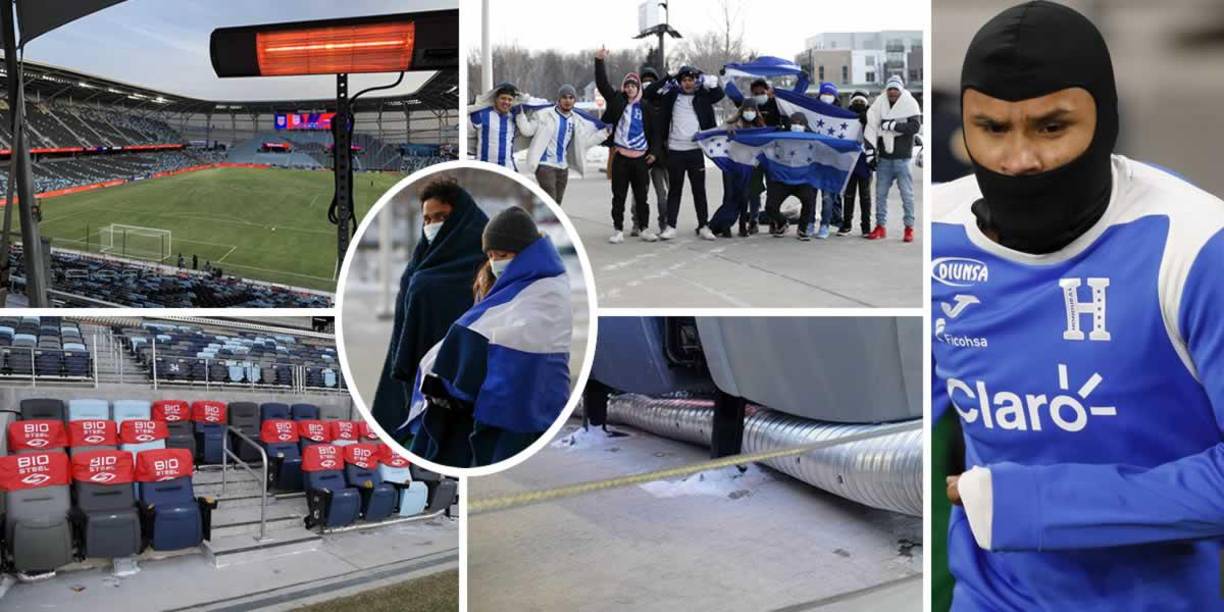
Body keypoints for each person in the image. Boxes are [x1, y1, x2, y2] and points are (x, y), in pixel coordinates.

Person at [934, 2, 1224, 609]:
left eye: (1051, 127)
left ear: (1106, 119)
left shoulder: (1196, 247)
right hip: (991, 596)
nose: (1019, 160)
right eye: (992, 128)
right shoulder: (936, 236)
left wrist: (1031, 505)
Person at [404, 207, 572, 468]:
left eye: (502, 255)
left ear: (524, 252)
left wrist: (453, 364)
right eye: (491, 255)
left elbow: (506, 335)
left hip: (530, 398)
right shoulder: (500, 283)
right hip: (502, 395)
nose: (495, 262)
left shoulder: (546, 290)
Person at [373, 177, 489, 435]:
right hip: (414, 369)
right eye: (427, 219)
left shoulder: (484, 260)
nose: (432, 225)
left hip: (456, 381)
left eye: (441, 217)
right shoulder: (422, 258)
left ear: (460, 217)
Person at [645, 65, 725, 240]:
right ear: (680, 82)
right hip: (676, 150)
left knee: (699, 190)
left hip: (695, 150)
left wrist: (710, 81)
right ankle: (671, 226)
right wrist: (667, 77)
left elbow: (719, 95)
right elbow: (649, 93)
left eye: (691, 80)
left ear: (696, 81)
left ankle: (703, 226)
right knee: (675, 190)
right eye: (684, 80)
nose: (688, 83)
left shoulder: (702, 96)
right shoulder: (671, 95)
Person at [595, 48, 659, 244]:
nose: (630, 89)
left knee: (642, 197)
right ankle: (618, 230)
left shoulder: (646, 107)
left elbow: (655, 132)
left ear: (638, 88)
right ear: (624, 87)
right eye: (628, 85)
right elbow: (602, 84)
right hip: (621, 157)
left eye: (634, 86)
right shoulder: (617, 100)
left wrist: (654, 152)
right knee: (619, 196)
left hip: (640, 159)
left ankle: (644, 228)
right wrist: (599, 61)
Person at [517, 83, 606, 204]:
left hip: (563, 168)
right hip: (545, 165)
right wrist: (520, 114)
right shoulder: (545, 114)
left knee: (557, 203)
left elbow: (585, 142)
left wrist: (604, 133)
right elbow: (527, 131)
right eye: (564, 97)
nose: (567, 101)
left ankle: (539, 214)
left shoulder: (576, 120)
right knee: (551, 200)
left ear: (574, 100)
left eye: (571, 97)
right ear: (559, 99)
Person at [866, 75, 921, 242]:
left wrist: (892, 125)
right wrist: (870, 152)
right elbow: (871, 127)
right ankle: (880, 226)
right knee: (880, 195)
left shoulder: (910, 103)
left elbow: (915, 127)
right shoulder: (879, 104)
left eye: (895, 89)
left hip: (903, 158)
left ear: (901, 90)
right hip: (884, 158)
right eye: (890, 89)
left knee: (907, 195)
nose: (892, 92)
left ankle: (909, 228)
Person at [708, 98, 764, 237]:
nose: (749, 112)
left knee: (744, 197)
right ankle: (724, 226)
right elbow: (716, 135)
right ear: (742, 111)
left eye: (752, 110)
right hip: (731, 165)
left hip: (747, 166)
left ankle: (742, 225)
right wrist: (727, 130)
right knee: (730, 196)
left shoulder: (759, 128)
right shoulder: (731, 124)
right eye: (747, 109)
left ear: (756, 112)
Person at [762, 113, 818, 240]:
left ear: (805, 125)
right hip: (782, 179)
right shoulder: (779, 136)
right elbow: (763, 144)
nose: (797, 126)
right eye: (794, 123)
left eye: (800, 123)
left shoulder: (813, 138)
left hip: (802, 180)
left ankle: (802, 229)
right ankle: (782, 223)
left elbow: (828, 148)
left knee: (809, 202)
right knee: (770, 207)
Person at [636, 66, 670, 235]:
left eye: (651, 81)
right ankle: (637, 222)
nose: (647, 84)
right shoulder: (637, 104)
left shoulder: (664, 102)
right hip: (640, 153)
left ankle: (664, 221)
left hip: (661, 156)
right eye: (644, 81)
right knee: (639, 193)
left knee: (662, 194)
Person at [839, 90, 874, 237]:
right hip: (849, 162)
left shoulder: (872, 116)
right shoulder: (845, 116)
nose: (859, 104)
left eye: (861, 102)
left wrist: (868, 121)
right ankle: (846, 224)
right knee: (848, 196)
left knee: (865, 197)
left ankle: (866, 227)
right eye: (856, 102)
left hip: (866, 162)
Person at [470, 82, 522, 170]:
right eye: (503, 98)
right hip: (485, 168)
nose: (506, 102)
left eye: (509, 99)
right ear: (495, 99)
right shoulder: (482, 114)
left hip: (507, 168)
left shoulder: (515, 117)